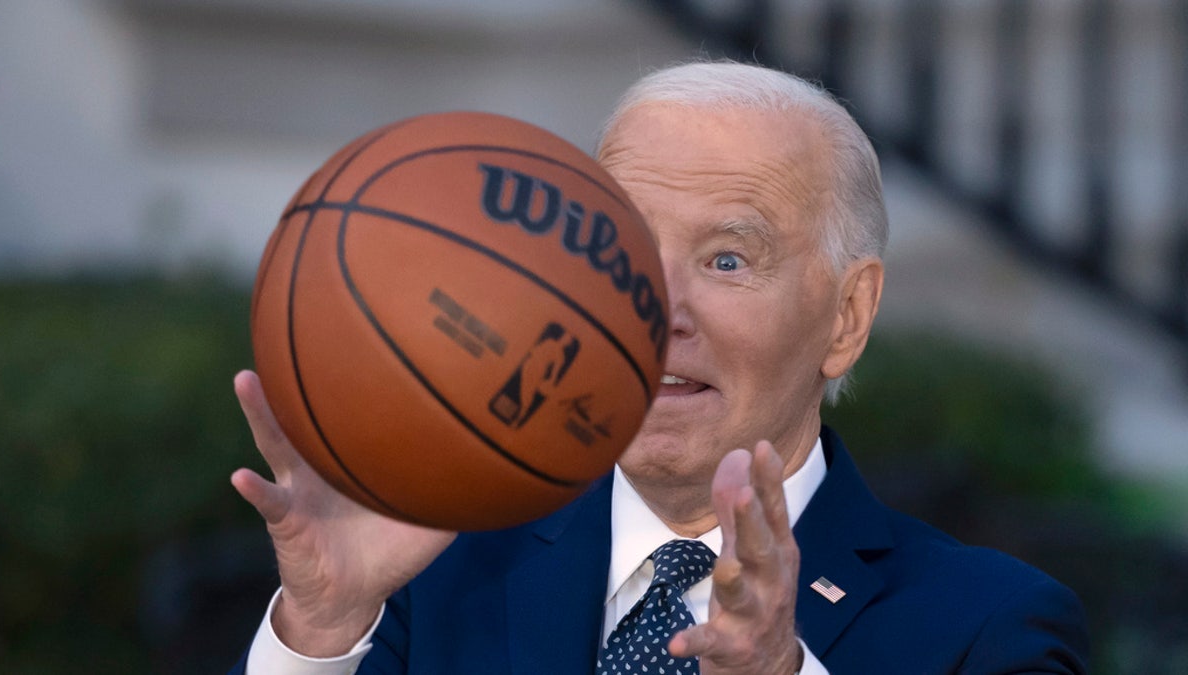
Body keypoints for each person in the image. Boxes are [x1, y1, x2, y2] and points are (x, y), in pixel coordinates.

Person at [228, 60, 1089, 674]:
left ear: (847, 317)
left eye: (727, 260)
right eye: (623, 251)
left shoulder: (989, 628)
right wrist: (323, 628)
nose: (653, 312)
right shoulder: (433, 574)